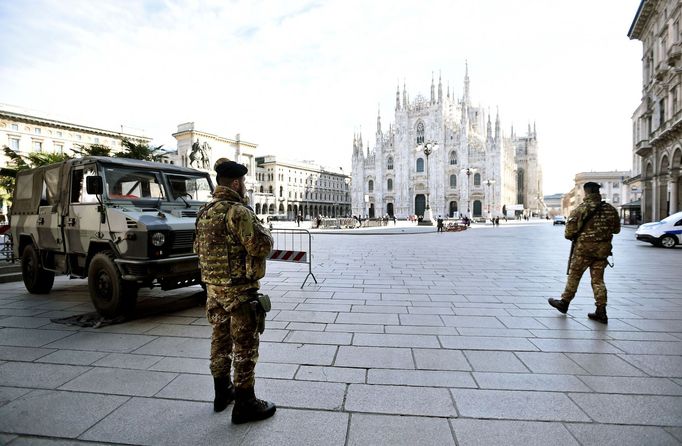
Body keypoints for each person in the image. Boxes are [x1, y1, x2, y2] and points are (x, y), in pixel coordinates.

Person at [194, 159, 276, 424]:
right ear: (237, 183)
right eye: (244, 184)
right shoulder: (238, 212)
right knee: (244, 346)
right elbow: (260, 247)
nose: (246, 189)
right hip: (239, 293)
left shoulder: (205, 211)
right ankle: (245, 403)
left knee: (219, 342)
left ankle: (222, 393)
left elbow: (198, 249)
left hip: (214, 291)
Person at [548, 182, 620, 324]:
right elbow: (616, 230)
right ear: (598, 192)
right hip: (602, 252)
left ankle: (564, 303)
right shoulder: (610, 209)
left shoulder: (580, 210)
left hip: (583, 252)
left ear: (586, 193)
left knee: (574, 276)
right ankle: (601, 311)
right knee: (598, 281)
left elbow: (568, 234)